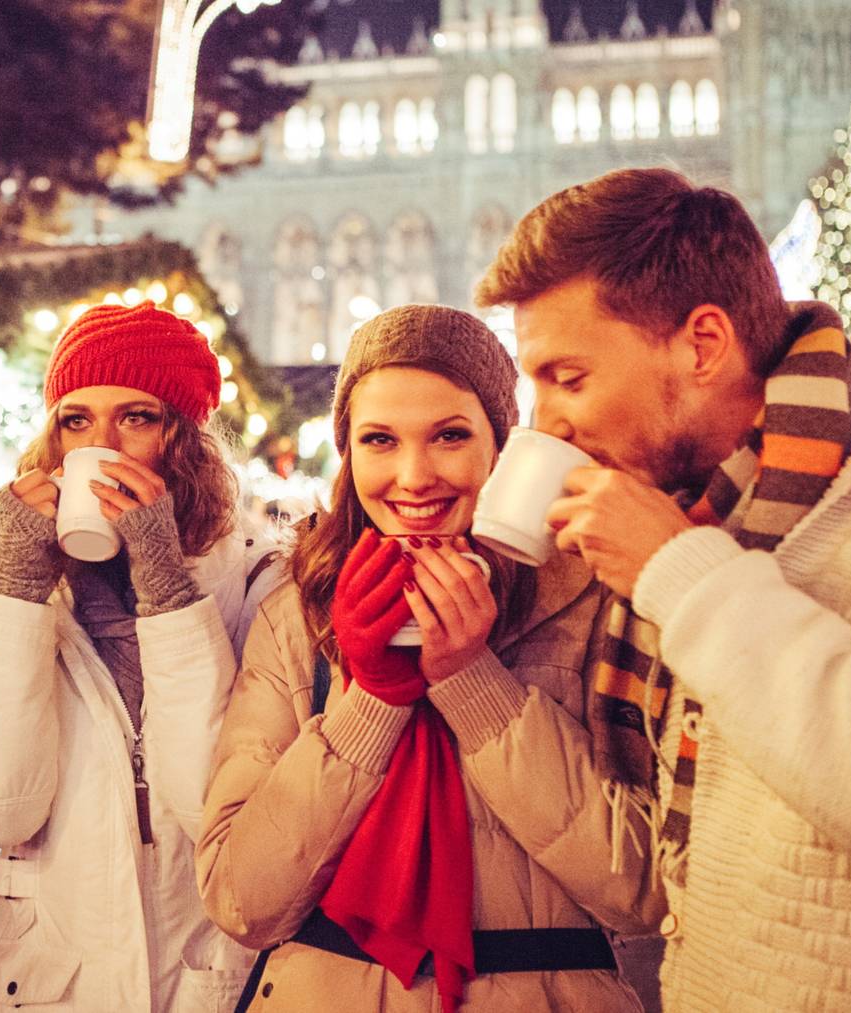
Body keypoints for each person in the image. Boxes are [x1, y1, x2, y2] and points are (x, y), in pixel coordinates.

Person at [475, 166, 851, 1009]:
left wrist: (682, 576)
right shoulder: (697, 503)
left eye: (569, 377)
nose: (542, 422)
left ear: (703, 344)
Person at [198, 305, 661, 1012]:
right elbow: (242, 900)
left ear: (500, 446)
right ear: (350, 454)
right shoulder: (297, 612)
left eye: (449, 435)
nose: (413, 477)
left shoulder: (596, 601)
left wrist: (474, 682)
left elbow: (644, 889)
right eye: (379, 440)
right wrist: (373, 701)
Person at [0, 301, 285, 1012]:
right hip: (44, 988)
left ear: (184, 440)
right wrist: (18, 590)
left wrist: (165, 584)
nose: (106, 445)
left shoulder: (258, 585)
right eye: (77, 420)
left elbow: (207, 804)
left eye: (138, 417)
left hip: (209, 983)